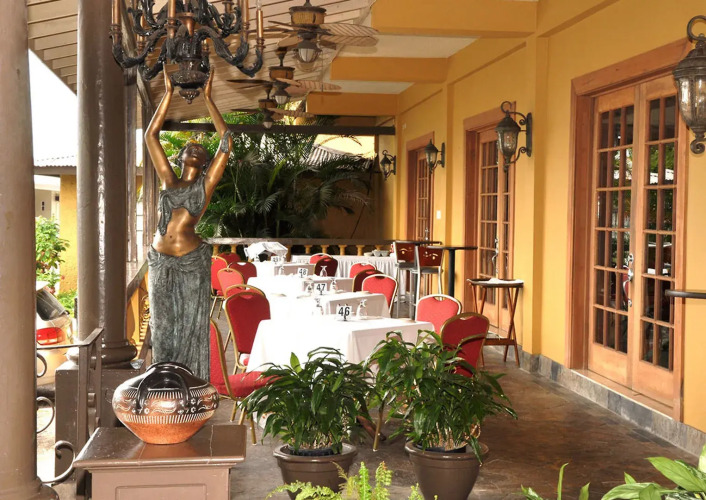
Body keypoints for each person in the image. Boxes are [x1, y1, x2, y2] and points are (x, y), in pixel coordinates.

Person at [145, 69, 232, 380]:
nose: (195, 148)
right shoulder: (168, 180)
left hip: (190, 259)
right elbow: (150, 136)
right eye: (190, 147)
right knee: (162, 323)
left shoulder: (204, 187)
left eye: (201, 150)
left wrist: (209, 98)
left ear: (205, 162)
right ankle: (162, 379)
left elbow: (226, 141)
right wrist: (168, 94)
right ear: (181, 156)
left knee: (190, 322)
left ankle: (189, 380)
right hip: (160, 258)